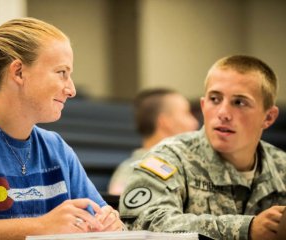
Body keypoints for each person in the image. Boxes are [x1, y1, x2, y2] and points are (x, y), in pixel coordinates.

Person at [0, 17, 124, 239]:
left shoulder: (56, 148)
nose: (71, 90)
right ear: (19, 72)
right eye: (62, 73)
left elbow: (98, 218)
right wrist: (39, 226)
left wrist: (109, 223)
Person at [119, 55, 286, 240]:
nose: (223, 113)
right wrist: (246, 229)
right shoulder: (169, 158)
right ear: (203, 105)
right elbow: (144, 224)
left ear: (269, 117)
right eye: (215, 99)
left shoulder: (282, 167)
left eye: (239, 102)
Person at [108, 88, 199, 195]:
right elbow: (119, 204)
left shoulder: (190, 165)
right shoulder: (132, 171)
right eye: (187, 113)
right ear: (166, 122)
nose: (195, 122)